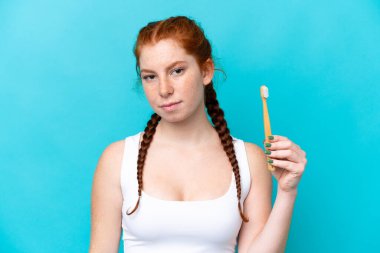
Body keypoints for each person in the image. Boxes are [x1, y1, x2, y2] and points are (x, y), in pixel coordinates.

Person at [89, 15, 307, 253]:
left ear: (206, 71)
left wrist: (287, 193)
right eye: (150, 77)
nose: (164, 89)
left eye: (177, 71)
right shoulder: (117, 160)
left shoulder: (249, 160)